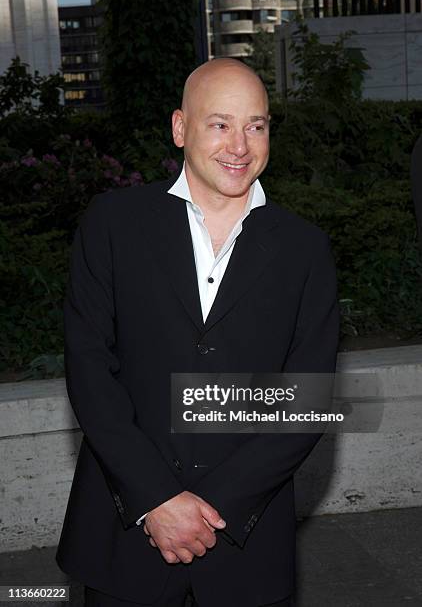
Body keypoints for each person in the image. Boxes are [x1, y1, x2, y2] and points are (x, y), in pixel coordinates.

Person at [56, 58, 339, 607]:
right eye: (220, 124)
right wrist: (158, 498)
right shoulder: (114, 225)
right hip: (127, 532)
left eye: (256, 125)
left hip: (246, 542)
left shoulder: (305, 251)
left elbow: (307, 401)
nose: (240, 144)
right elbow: (90, 370)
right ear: (180, 128)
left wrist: (210, 508)